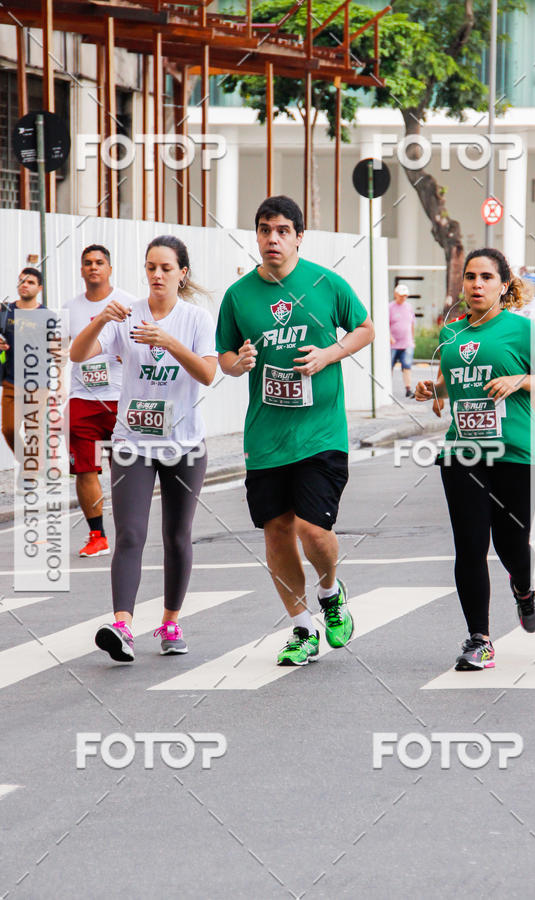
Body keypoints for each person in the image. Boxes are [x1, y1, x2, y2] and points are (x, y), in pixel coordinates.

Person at [216, 195, 375, 667]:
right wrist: (237, 363)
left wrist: (329, 354)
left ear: (299, 236)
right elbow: (223, 355)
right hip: (266, 438)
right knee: (277, 532)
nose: (272, 239)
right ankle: (302, 629)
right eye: (265, 229)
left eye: (283, 230)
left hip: (321, 432)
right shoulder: (239, 295)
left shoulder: (326, 283)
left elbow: (365, 328)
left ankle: (330, 589)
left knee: (312, 527)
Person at [70, 235, 217, 662]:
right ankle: (123, 626)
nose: (156, 275)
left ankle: (171, 620)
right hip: (132, 443)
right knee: (130, 534)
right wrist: (100, 320)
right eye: (150, 267)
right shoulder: (126, 314)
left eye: (165, 268)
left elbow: (208, 373)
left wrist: (168, 342)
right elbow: (79, 355)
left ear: (181, 274)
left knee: (176, 535)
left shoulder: (195, 319)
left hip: (184, 445)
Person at [415, 248, 535, 672]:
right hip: (463, 452)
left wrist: (520, 379)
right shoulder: (451, 334)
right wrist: (433, 392)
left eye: (486, 277)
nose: (476, 284)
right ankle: (479, 638)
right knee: (470, 546)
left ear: (503, 285)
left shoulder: (522, 330)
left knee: (511, 544)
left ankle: (525, 589)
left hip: (518, 453)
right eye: (470, 277)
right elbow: (449, 384)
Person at [64, 246, 136, 558]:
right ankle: (97, 535)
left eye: (99, 263)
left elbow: (146, 341)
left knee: (124, 470)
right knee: (84, 469)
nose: (93, 268)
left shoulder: (129, 302)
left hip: (121, 398)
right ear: (81, 270)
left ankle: (131, 532)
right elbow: (59, 350)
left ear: (109, 268)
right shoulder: (70, 308)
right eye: (87, 263)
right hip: (83, 398)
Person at [0, 269, 44, 471]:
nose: (25, 285)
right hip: (11, 381)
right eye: (22, 281)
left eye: (30, 282)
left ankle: (33, 475)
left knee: (34, 431)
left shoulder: (47, 316)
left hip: (38, 384)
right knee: (8, 429)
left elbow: (59, 348)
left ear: (39, 288)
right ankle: (27, 461)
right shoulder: (4, 311)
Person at [389, 283, 416, 398]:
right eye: (401, 295)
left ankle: (408, 389)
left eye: (405, 296)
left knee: (407, 366)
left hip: (407, 343)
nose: (403, 298)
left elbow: (412, 324)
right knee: (389, 366)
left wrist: (412, 339)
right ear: (396, 295)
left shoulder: (409, 307)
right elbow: (385, 323)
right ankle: (388, 388)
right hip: (393, 344)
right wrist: (389, 336)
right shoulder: (389, 307)